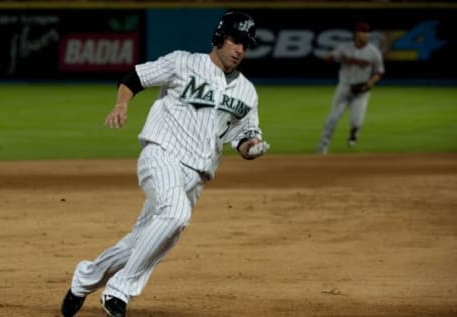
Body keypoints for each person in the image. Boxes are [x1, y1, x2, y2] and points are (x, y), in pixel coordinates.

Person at [60, 11, 269, 317]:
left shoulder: (246, 91)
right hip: (161, 155)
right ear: (219, 38)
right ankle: (119, 291)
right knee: (175, 214)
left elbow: (242, 136)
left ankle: (85, 279)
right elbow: (135, 77)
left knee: (147, 240)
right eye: (235, 40)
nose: (240, 50)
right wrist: (121, 105)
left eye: (246, 45)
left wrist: (251, 147)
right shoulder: (183, 62)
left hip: (196, 177)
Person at [316, 21, 384, 154]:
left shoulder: (373, 52)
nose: (366, 35)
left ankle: (354, 135)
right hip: (344, 88)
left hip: (361, 91)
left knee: (356, 120)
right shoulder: (344, 47)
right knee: (332, 118)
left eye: (367, 33)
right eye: (363, 32)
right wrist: (328, 57)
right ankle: (322, 147)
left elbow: (379, 72)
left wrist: (368, 85)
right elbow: (333, 57)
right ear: (356, 34)